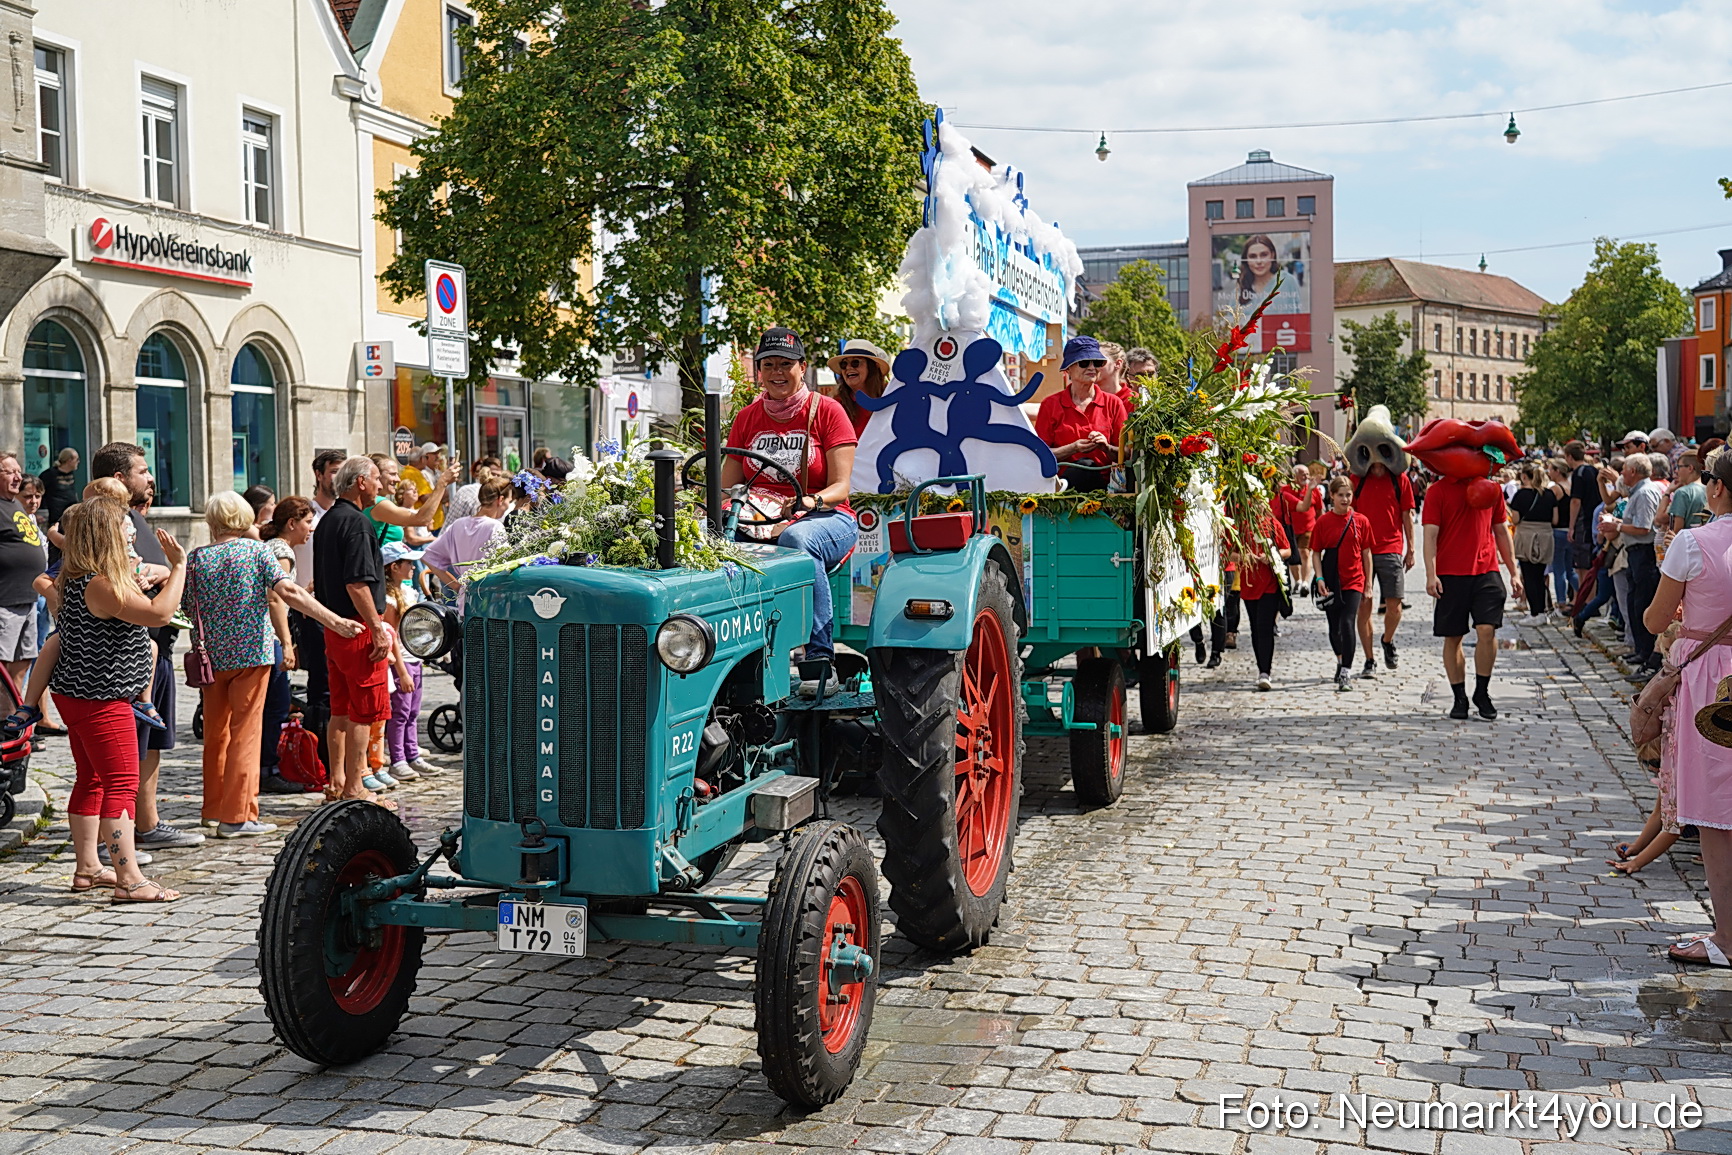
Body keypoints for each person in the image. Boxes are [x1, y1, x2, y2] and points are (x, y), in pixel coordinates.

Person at [186, 491, 362, 836]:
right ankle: (237, 816)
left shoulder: (196, 558)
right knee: (245, 734)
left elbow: (187, 607)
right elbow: (289, 593)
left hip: (210, 657)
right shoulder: (256, 552)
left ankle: (214, 809)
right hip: (250, 653)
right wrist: (335, 621)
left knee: (216, 734)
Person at [53, 497, 184, 902]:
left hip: (78, 694)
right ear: (106, 534)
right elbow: (159, 614)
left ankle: (88, 868)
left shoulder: (80, 577)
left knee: (91, 779)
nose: (131, 533)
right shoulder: (101, 584)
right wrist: (179, 566)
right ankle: (130, 880)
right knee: (122, 784)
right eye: (125, 527)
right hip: (102, 699)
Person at [722, 327, 859, 665]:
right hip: (760, 518)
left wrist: (809, 502)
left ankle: (819, 658)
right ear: (758, 370)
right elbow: (726, 487)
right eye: (768, 365)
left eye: (785, 364)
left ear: (802, 367)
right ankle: (731, 657)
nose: (777, 373)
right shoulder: (747, 417)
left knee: (797, 539)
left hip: (827, 516)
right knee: (714, 540)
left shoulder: (828, 411)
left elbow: (840, 487)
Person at [1645, 450, 1732, 966]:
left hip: (1711, 680)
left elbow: (1655, 620)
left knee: (1718, 810)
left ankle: (1727, 937)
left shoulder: (1692, 542)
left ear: (1716, 488)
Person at [314, 457, 398, 807]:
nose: (380, 486)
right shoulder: (358, 523)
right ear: (360, 482)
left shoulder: (328, 519)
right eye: (376, 479)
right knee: (364, 711)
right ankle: (354, 787)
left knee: (341, 709)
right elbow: (357, 583)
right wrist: (377, 629)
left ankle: (336, 782)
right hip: (359, 626)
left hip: (336, 627)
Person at [1422, 470, 1522, 720]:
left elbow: (1501, 531)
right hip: (1450, 573)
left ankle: (1481, 691)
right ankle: (1459, 697)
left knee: (1487, 630)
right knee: (1453, 637)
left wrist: (1514, 572)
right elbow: (1430, 535)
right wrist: (1431, 574)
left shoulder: (1492, 490)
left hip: (1486, 570)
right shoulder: (1437, 491)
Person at [290, 449, 346, 772]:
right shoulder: (305, 515)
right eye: (334, 471)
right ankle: (318, 755)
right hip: (309, 610)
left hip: (339, 609)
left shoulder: (343, 513)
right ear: (319, 474)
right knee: (321, 682)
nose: (338, 477)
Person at [257, 496, 315, 794]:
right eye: (307, 522)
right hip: (271, 637)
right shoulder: (282, 551)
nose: (311, 529)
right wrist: (287, 643)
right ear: (292, 523)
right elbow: (275, 598)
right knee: (277, 705)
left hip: (264, 637)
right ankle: (267, 769)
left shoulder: (271, 547)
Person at [1034, 335, 1126, 494]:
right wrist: (1073, 448)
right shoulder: (1050, 404)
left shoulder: (1114, 403)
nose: (1092, 368)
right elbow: (1039, 456)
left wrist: (1106, 447)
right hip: (1062, 490)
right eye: (1084, 363)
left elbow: (1127, 455)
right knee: (1083, 467)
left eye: (1097, 362)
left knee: (1087, 467)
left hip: (1105, 490)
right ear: (1068, 369)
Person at [1351, 459, 1416, 675]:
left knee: (1395, 606)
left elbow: (1407, 514)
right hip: (1362, 549)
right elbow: (1349, 513)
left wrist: (1411, 549)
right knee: (1364, 605)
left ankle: (1387, 641)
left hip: (1391, 547)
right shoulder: (1357, 479)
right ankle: (1369, 659)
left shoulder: (1400, 479)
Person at [1311, 476, 1373, 692]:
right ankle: (1340, 659)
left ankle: (1346, 671)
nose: (1345, 499)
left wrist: (1368, 583)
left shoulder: (1361, 521)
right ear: (1332, 496)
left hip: (1354, 580)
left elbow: (1366, 553)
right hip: (1331, 581)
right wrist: (1319, 578)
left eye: (1348, 495)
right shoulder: (1323, 522)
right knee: (1334, 627)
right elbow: (1316, 552)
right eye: (1340, 495)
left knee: (1348, 623)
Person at [379, 541, 435, 783]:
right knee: (400, 713)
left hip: (415, 658)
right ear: (394, 567)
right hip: (402, 661)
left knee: (412, 712)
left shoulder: (408, 592)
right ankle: (398, 759)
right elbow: (391, 636)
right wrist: (401, 670)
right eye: (408, 563)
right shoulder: (389, 600)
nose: (413, 567)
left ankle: (412, 754)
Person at [1606, 452, 1664, 672]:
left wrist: (1617, 526)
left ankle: (1646, 651)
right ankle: (1640, 649)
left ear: (1632, 471)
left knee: (1642, 601)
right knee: (1634, 601)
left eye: (1624, 470)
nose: (1621, 474)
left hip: (1644, 552)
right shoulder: (1638, 492)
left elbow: (1644, 527)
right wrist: (1617, 522)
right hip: (1636, 552)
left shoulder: (1645, 492)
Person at [423, 474, 510, 612]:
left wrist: (457, 586)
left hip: (466, 601)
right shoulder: (495, 527)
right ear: (500, 500)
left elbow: (429, 557)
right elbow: (505, 566)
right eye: (509, 501)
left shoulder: (458, 525)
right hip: (490, 601)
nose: (508, 506)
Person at [0, 453, 47, 698]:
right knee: (2, 663)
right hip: (6, 598)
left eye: (18, 471)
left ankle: (12, 713)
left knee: (24, 659)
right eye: (10, 472)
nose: (18, 477)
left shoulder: (15, 505)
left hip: (29, 597)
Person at [1236, 514, 1289, 692]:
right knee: (1255, 629)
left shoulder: (1273, 523)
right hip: (1249, 584)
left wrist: (1273, 556)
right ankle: (1261, 667)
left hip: (1270, 585)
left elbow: (1287, 550)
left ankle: (1265, 672)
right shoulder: (1240, 524)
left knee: (1265, 627)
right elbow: (1229, 554)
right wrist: (1244, 556)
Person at [367, 452, 456, 548]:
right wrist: (442, 483)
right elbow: (422, 519)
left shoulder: (379, 502)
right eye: (392, 474)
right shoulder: (378, 504)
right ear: (376, 475)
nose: (398, 479)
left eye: (397, 474)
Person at [1507, 462, 1557, 618]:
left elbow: (1515, 519)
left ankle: (1536, 612)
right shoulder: (1549, 494)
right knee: (1540, 576)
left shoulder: (1520, 495)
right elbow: (1555, 519)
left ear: (1524, 477)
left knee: (1528, 576)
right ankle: (1543, 609)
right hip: (1545, 536)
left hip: (1526, 536)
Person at [827, 340, 892, 437]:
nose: (848, 367)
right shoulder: (836, 405)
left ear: (873, 367)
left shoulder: (890, 398)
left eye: (855, 362)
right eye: (844, 364)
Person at [1233, 234, 1302, 312]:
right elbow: (1231, 318)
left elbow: (1298, 315)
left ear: (1272, 255)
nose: (1259, 261)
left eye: (1264, 255)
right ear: (1246, 260)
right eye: (1253, 256)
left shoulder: (1287, 281)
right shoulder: (1239, 290)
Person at [1544, 458, 1578, 610]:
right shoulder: (1571, 486)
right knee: (1570, 570)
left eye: (1551, 469)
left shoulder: (1555, 489)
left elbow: (1550, 511)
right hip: (1571, 530)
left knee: (1559, 570)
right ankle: (1583, 595)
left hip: (1557, 531)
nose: (1549, 472)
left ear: (1557, 471)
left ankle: (1561, 601)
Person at [445, 455, 503, 523]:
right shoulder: (469, 492)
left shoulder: (495, 495)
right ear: (483, 472)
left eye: (498, 475)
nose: (495, 478)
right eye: (493, 474)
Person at [38, 447, 80, 527]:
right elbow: (40, 492)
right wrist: (42, 512)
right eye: (77, 459)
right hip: (55, 519)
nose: (78, 462)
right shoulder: (49, 474)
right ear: (69, 460)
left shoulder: (71, 474)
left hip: (70, 516)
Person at [1668, 452, 1708, 532]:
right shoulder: (1710, 489)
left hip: (1687, 538)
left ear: (1690, 468)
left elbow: (1677, 529)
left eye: (1679, 467)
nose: (1676, 471)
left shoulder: (1682, 492)